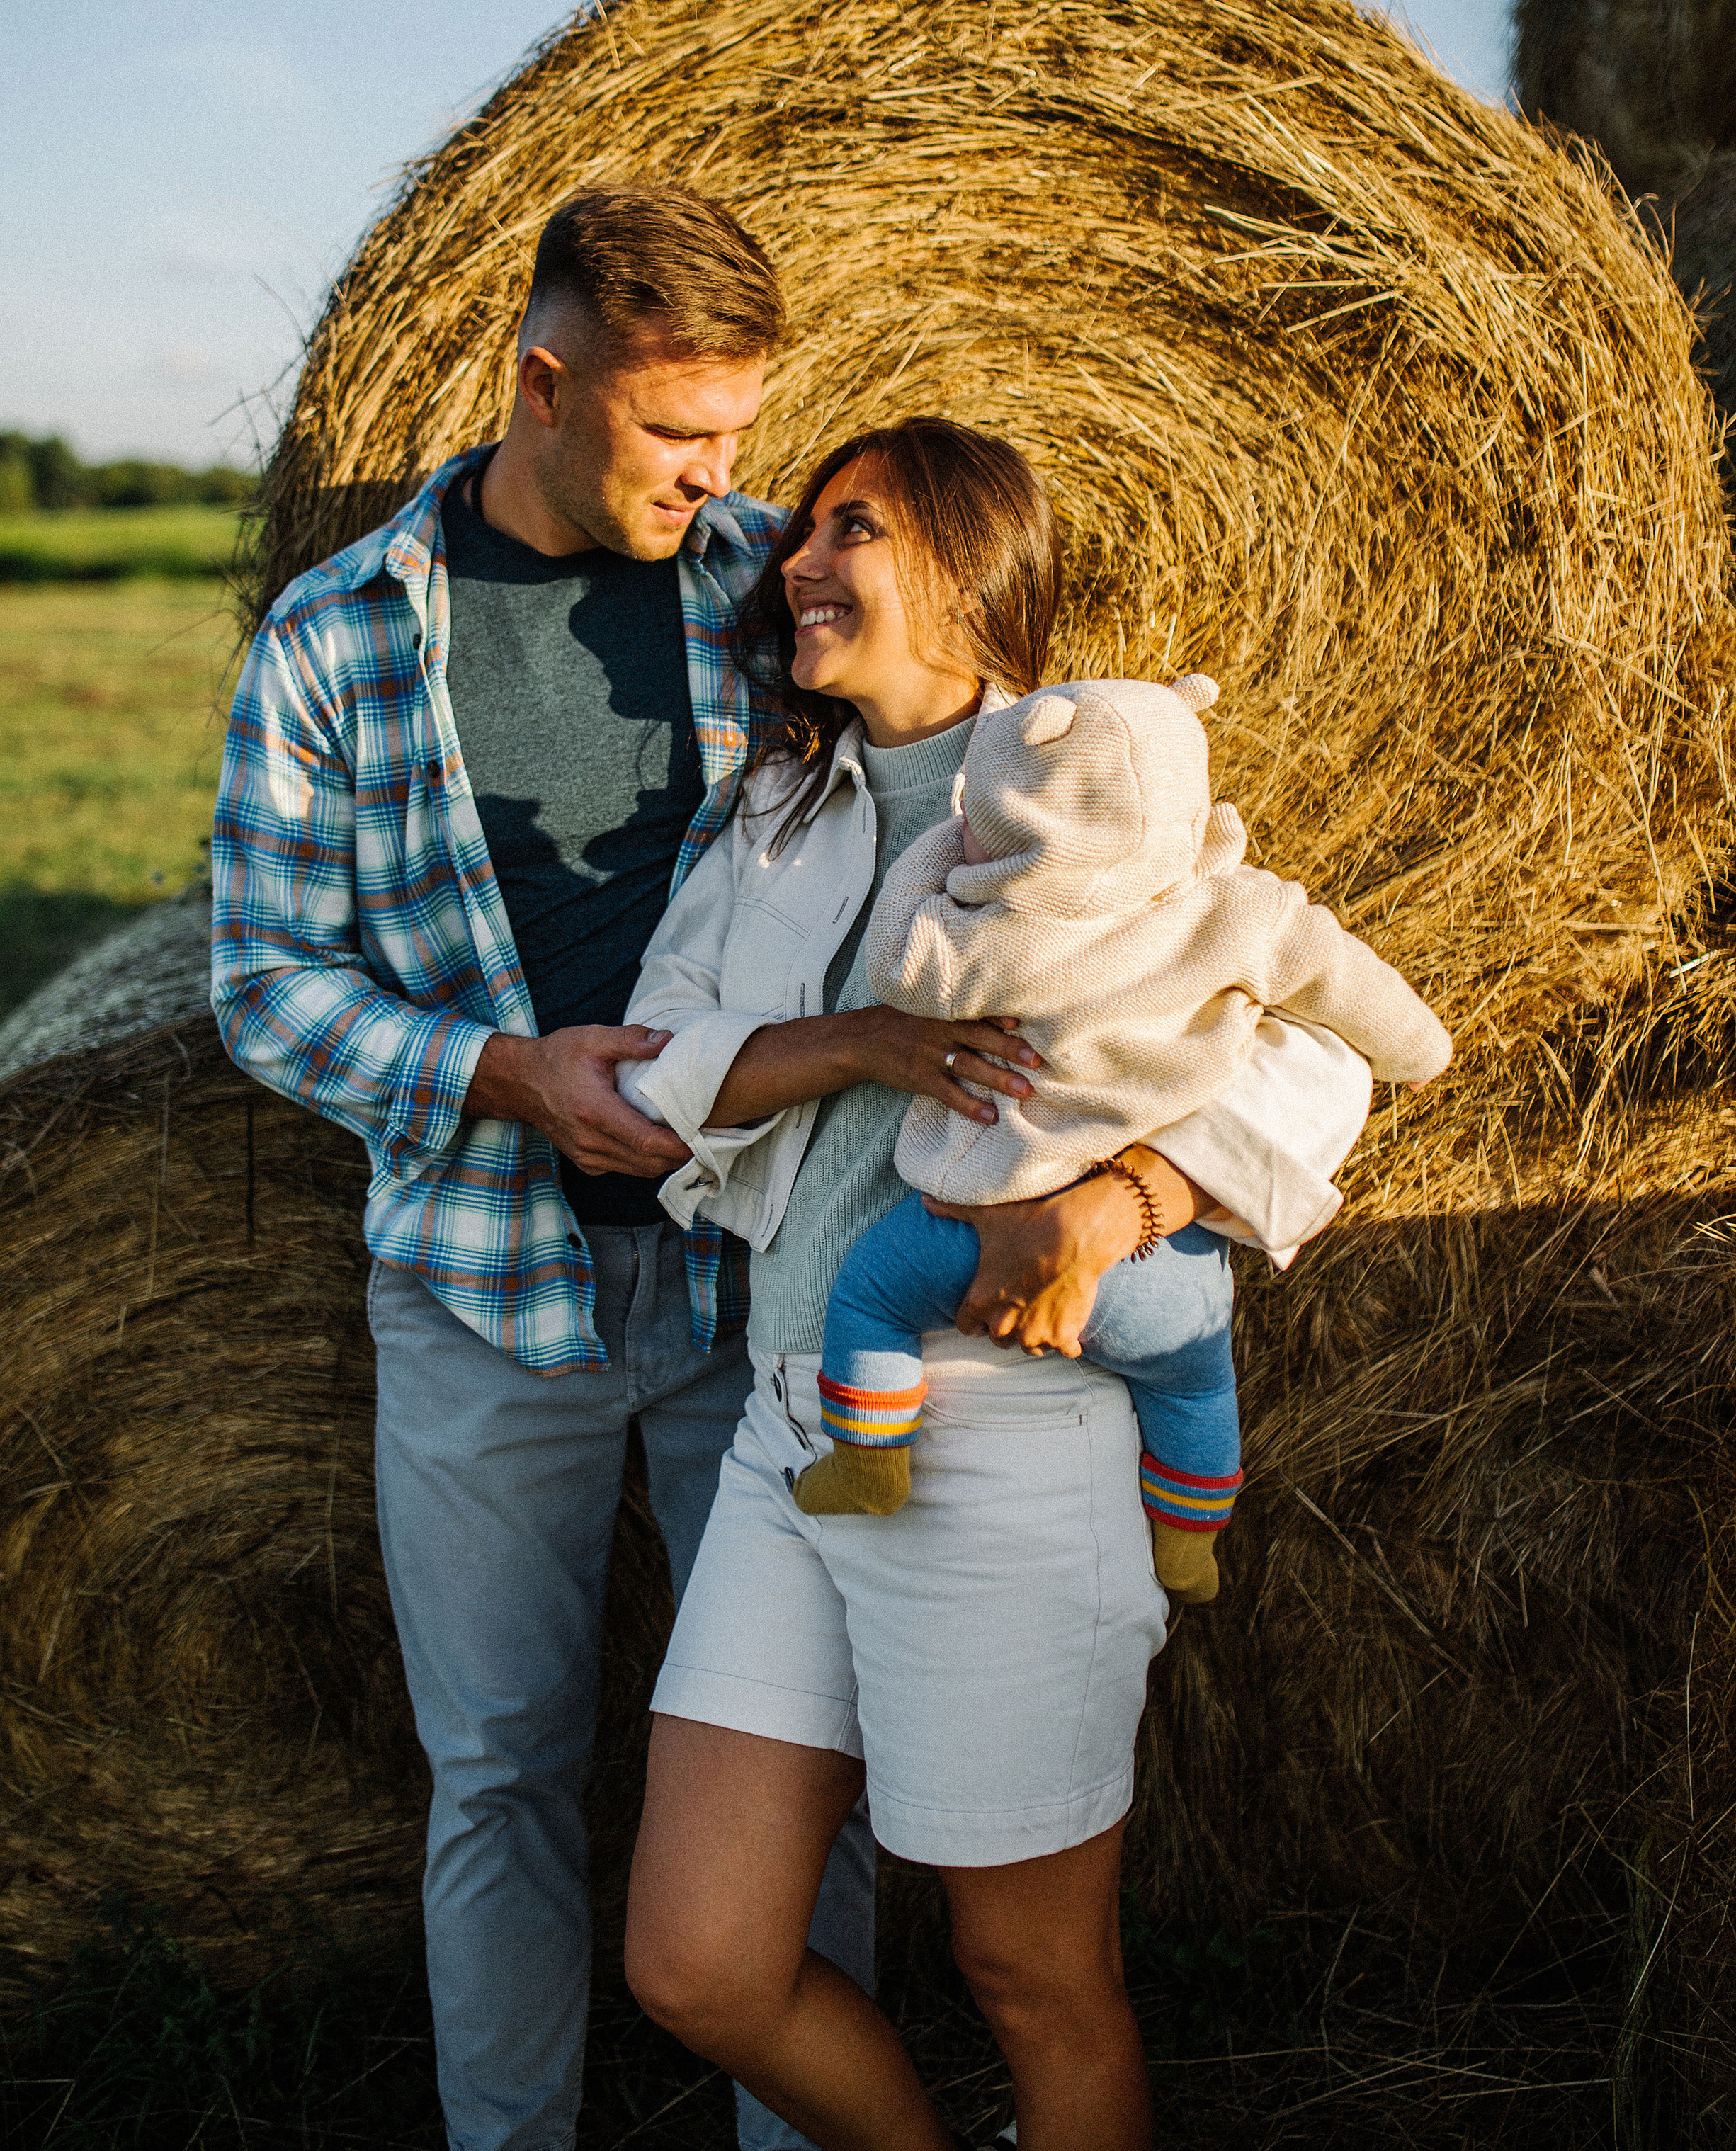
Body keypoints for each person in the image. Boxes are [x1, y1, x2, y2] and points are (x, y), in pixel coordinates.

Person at [210, 194, 1286, 2151]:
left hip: (753, 1312)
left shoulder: (749, 593)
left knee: (830, 1789)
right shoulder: (341, 636)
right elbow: (265, 984)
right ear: (549, 381)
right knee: (502, 1771)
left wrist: (1121, 1187)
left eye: (748, 442)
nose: (740, 490)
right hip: (483, 1280)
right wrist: (502, 1078)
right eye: (682, 435)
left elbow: (1039, 826)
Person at [617, 419, 1376, 2151]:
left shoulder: (1098, 778)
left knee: (1031, 1977)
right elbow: (660, 1059)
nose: (799, 563)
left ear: (968, 570)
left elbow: (1319, 1040)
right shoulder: (774, 810)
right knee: (699, 1963)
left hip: (1006, 1446)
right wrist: (854, 1043)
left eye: (851, 531)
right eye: (803, 530)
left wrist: (1128, 1197)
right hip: (796, 1427)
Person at [791, 670, 1452, 1601]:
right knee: (1192, 1384)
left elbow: (899, 951)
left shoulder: (991, 937)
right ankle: (1189, 1537)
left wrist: (952, 841)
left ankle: (870, 1458)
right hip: (1158, 1262)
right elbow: (1361, 996)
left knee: (867, 1298)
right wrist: (1420, 1051)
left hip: (963, 1228)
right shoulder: (1241, 911)